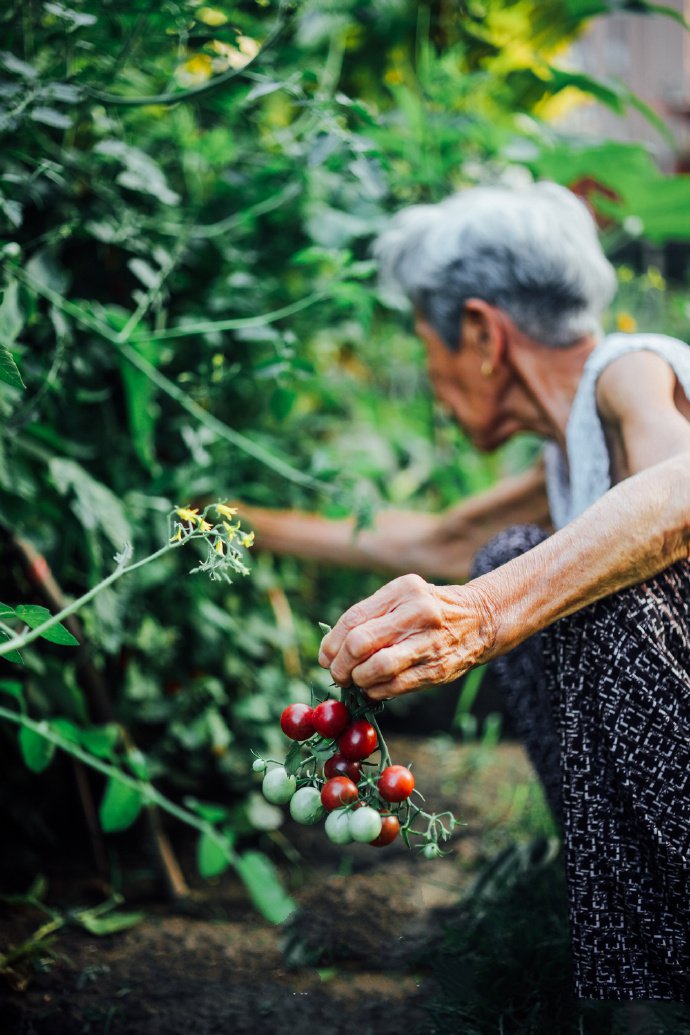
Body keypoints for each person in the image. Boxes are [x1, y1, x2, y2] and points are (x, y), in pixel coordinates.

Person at [239, 182, 690, 1006]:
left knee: (547, 570)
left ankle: (653, 975)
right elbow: (436, 540)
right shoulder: (569, 448)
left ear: (480, 334)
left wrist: (484, 613)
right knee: (518, 555)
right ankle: (641, 943)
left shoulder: (633, 372)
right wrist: (229, 521)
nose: (430, 377)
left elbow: (680, 488)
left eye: (426, 345)